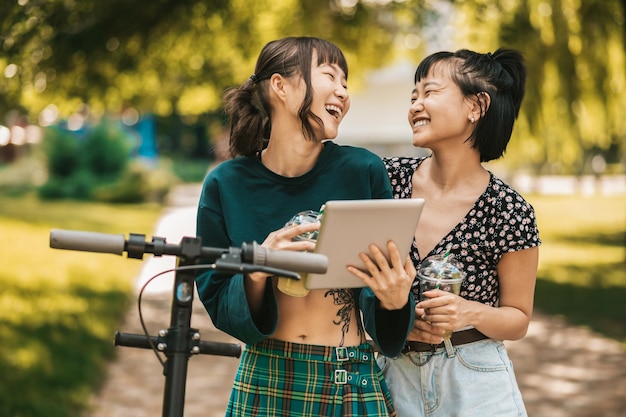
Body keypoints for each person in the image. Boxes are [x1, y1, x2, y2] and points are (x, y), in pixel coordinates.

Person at [195, 36, 416, 416]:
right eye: (330, 75)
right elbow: (214, 292)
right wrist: (259, 268)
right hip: (264, 372)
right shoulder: (226, 183)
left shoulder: (363, 171)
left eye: (346, 83)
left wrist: (395, 301)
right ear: (280, 86)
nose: (343, 92)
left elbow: (383, 288)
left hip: (351, 371)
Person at [349, 48, 541, 416]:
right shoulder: (387, 179)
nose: (415, 105)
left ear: (476, 106)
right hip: (392, 375)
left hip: (474, 379)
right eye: (413, 96)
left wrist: (467, 312)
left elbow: (518, 318)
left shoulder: (509, 210)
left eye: (430, 92)